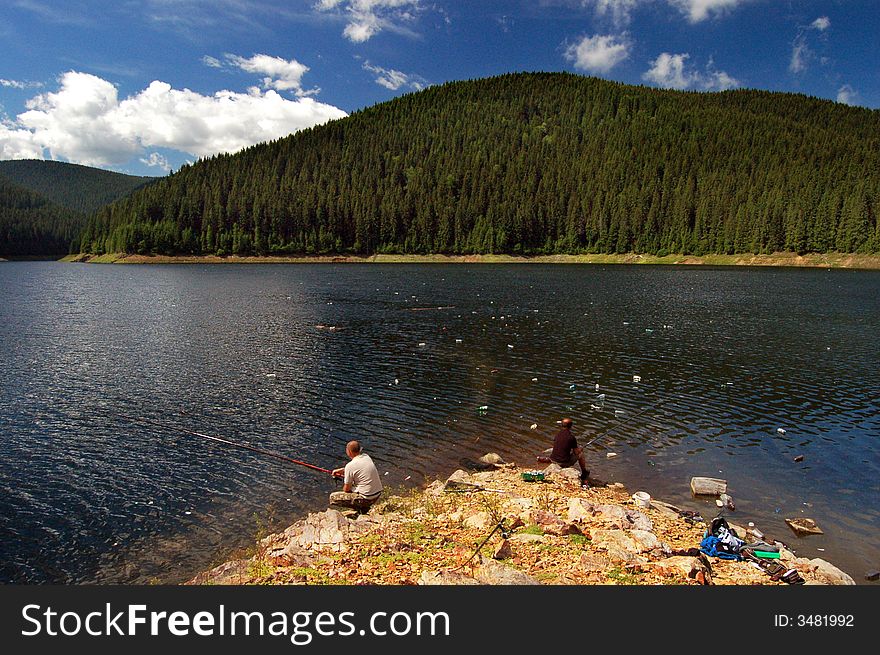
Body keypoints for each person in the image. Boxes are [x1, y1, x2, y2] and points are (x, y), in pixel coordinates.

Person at [329, 440, 383, 512]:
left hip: (367, 498)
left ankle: (361, 508)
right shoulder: (366, 456)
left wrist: (347, 479)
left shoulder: (350, 466)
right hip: (377, 494)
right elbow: (359, 468)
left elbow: (346, 489)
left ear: (349, 452)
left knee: (333, 497)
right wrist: (343, 470)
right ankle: (363, 508)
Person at [550, 418, 589, 484]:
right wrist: (580, 449)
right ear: (571, 426)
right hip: (563, 462)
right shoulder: (571, 437)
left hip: (553, 460)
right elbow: (576, 452)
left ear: (562, 425)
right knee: (581, 454)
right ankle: (584, 472)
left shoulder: (557, 435)